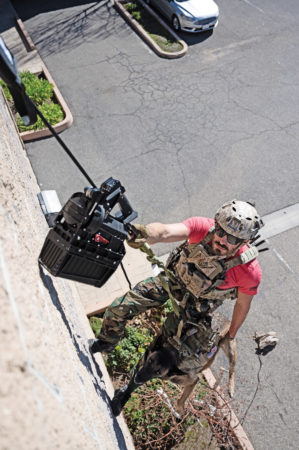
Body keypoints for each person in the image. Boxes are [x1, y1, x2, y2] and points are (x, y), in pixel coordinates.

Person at [89, 200, 264, 370]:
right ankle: (106, 343)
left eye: (232, 239)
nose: (222, 239)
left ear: (244, 242)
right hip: (172, 281)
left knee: (163, 354)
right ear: (216, 224)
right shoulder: (203, 227)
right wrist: (145, 232)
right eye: (220, 230)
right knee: (120, 308)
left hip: (196, 306)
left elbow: (243, 304)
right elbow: (164, 232)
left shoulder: (249, 271)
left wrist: (231, 335)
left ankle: (133, 383)